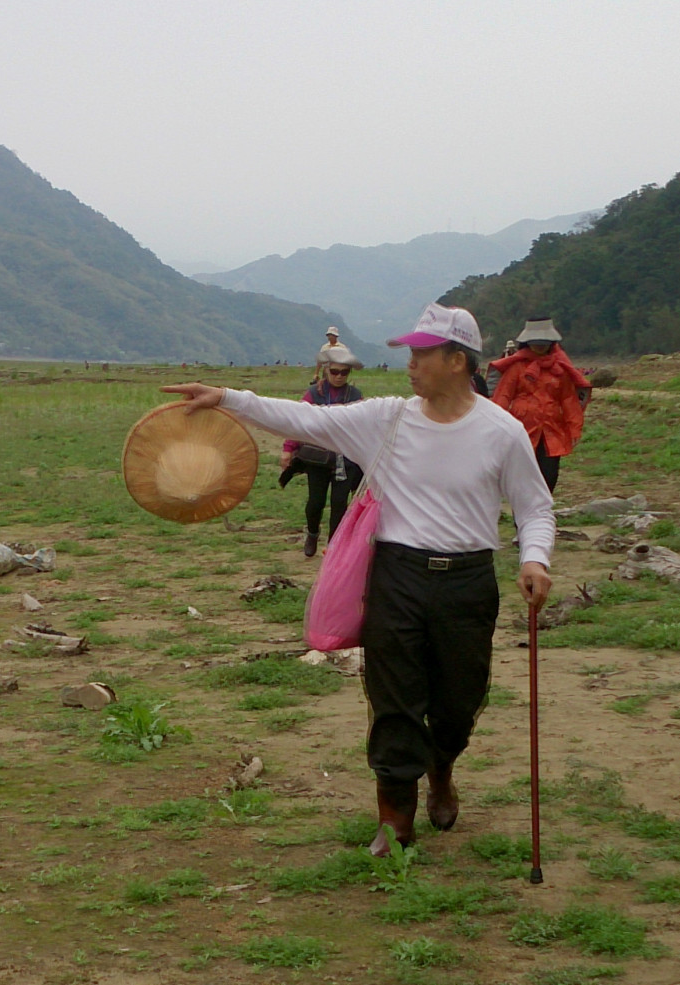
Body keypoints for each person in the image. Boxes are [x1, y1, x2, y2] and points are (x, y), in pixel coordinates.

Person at [162, 302, 554, 857]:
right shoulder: (387, 419)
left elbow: (535, 508)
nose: (411, 364)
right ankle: (395, 819)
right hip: (396, 576)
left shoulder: (502, 431)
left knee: (457, 703)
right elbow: (306, 420)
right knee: (393, 698)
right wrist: (227, 399)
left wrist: (533, 558)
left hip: (467, 583)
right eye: (411, 353)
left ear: (458, 361)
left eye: (422, 354)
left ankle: (441, 764)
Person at [488, 317, 592, 494]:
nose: (540, 346)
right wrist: (494, 424)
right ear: (527, 343)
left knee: (549, 475)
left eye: (543, 343)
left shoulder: (560, 370)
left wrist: (575, 427)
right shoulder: (517, 367)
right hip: (521, 428)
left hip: (552, 428)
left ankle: (541, 513)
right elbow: (503, 395)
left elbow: (568, 400)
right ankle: (521, 517)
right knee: (523, 475)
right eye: (536, 343)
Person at [280, 348, 364, 557]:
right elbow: (298, 421)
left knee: (339, 504)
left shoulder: (355, 396)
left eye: (344, 373)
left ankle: (334, 547)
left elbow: (365, 425)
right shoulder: (314, 393)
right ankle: (312, 533)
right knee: (315, 502)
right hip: (317, 458)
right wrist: (288, 449)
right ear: (326, 370)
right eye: (334, 371)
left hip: (346, 459)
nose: (338, 376)